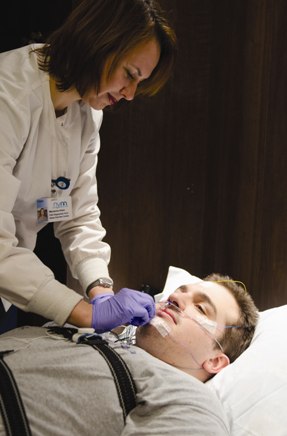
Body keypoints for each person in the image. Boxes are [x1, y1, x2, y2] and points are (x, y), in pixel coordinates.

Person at [0, 0, 176, 333]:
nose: (129, 94)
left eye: (139, 83)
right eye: (129, 75)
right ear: (98, 42)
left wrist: (100, 287)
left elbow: (74, 213)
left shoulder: (86, 111)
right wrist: (85, 315)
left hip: (9, 283)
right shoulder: (9, 95)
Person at [0, 273, 258, 435]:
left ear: (215, 360)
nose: (176, 299)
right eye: (180, 292)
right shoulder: (99, 337)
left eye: (201, 308)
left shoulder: (190, 399)